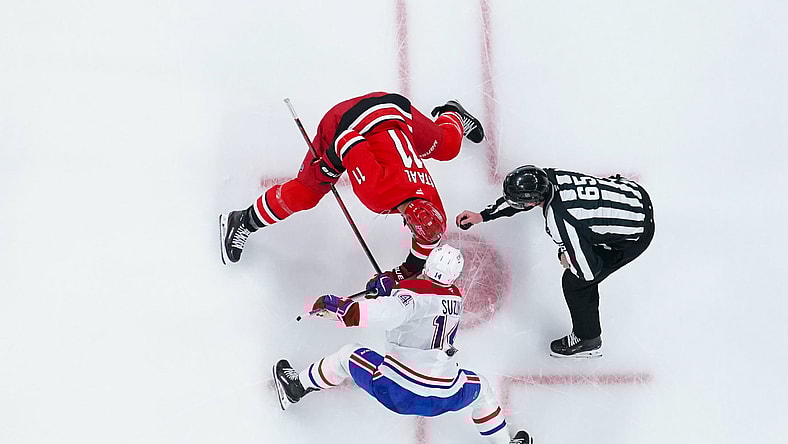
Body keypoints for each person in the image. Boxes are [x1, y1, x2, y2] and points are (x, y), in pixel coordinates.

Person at [220, 91, 484, 292]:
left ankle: (453, 113)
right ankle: (242, 220)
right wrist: (326, 168)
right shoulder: (378, 192)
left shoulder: (433, 209)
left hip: (393, 109)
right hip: (347, 121)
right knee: (307, 191)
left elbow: (425, 243)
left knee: (447, 147)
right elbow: (346, 140)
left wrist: (402, 274)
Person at [272, 245, 533, 444]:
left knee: (347, 355)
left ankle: (295, 387)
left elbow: (393, 310)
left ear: (428, 263)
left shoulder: (411, 296)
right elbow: (423, 300)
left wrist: (343, 308)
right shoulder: (456, 297)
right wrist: (393, 288)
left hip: (399, 391)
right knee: (481, 388)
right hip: (444, 395)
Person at [455, 166, 654, 358]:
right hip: (633, 195)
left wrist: (566, 256)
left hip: (635, 235)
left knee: (575, 283)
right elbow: (523, 199)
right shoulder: (550, 176)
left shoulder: (561, 220)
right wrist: (483, 215)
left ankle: (588, 340)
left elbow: (587, 272)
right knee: (582, 241)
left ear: (532, 203)